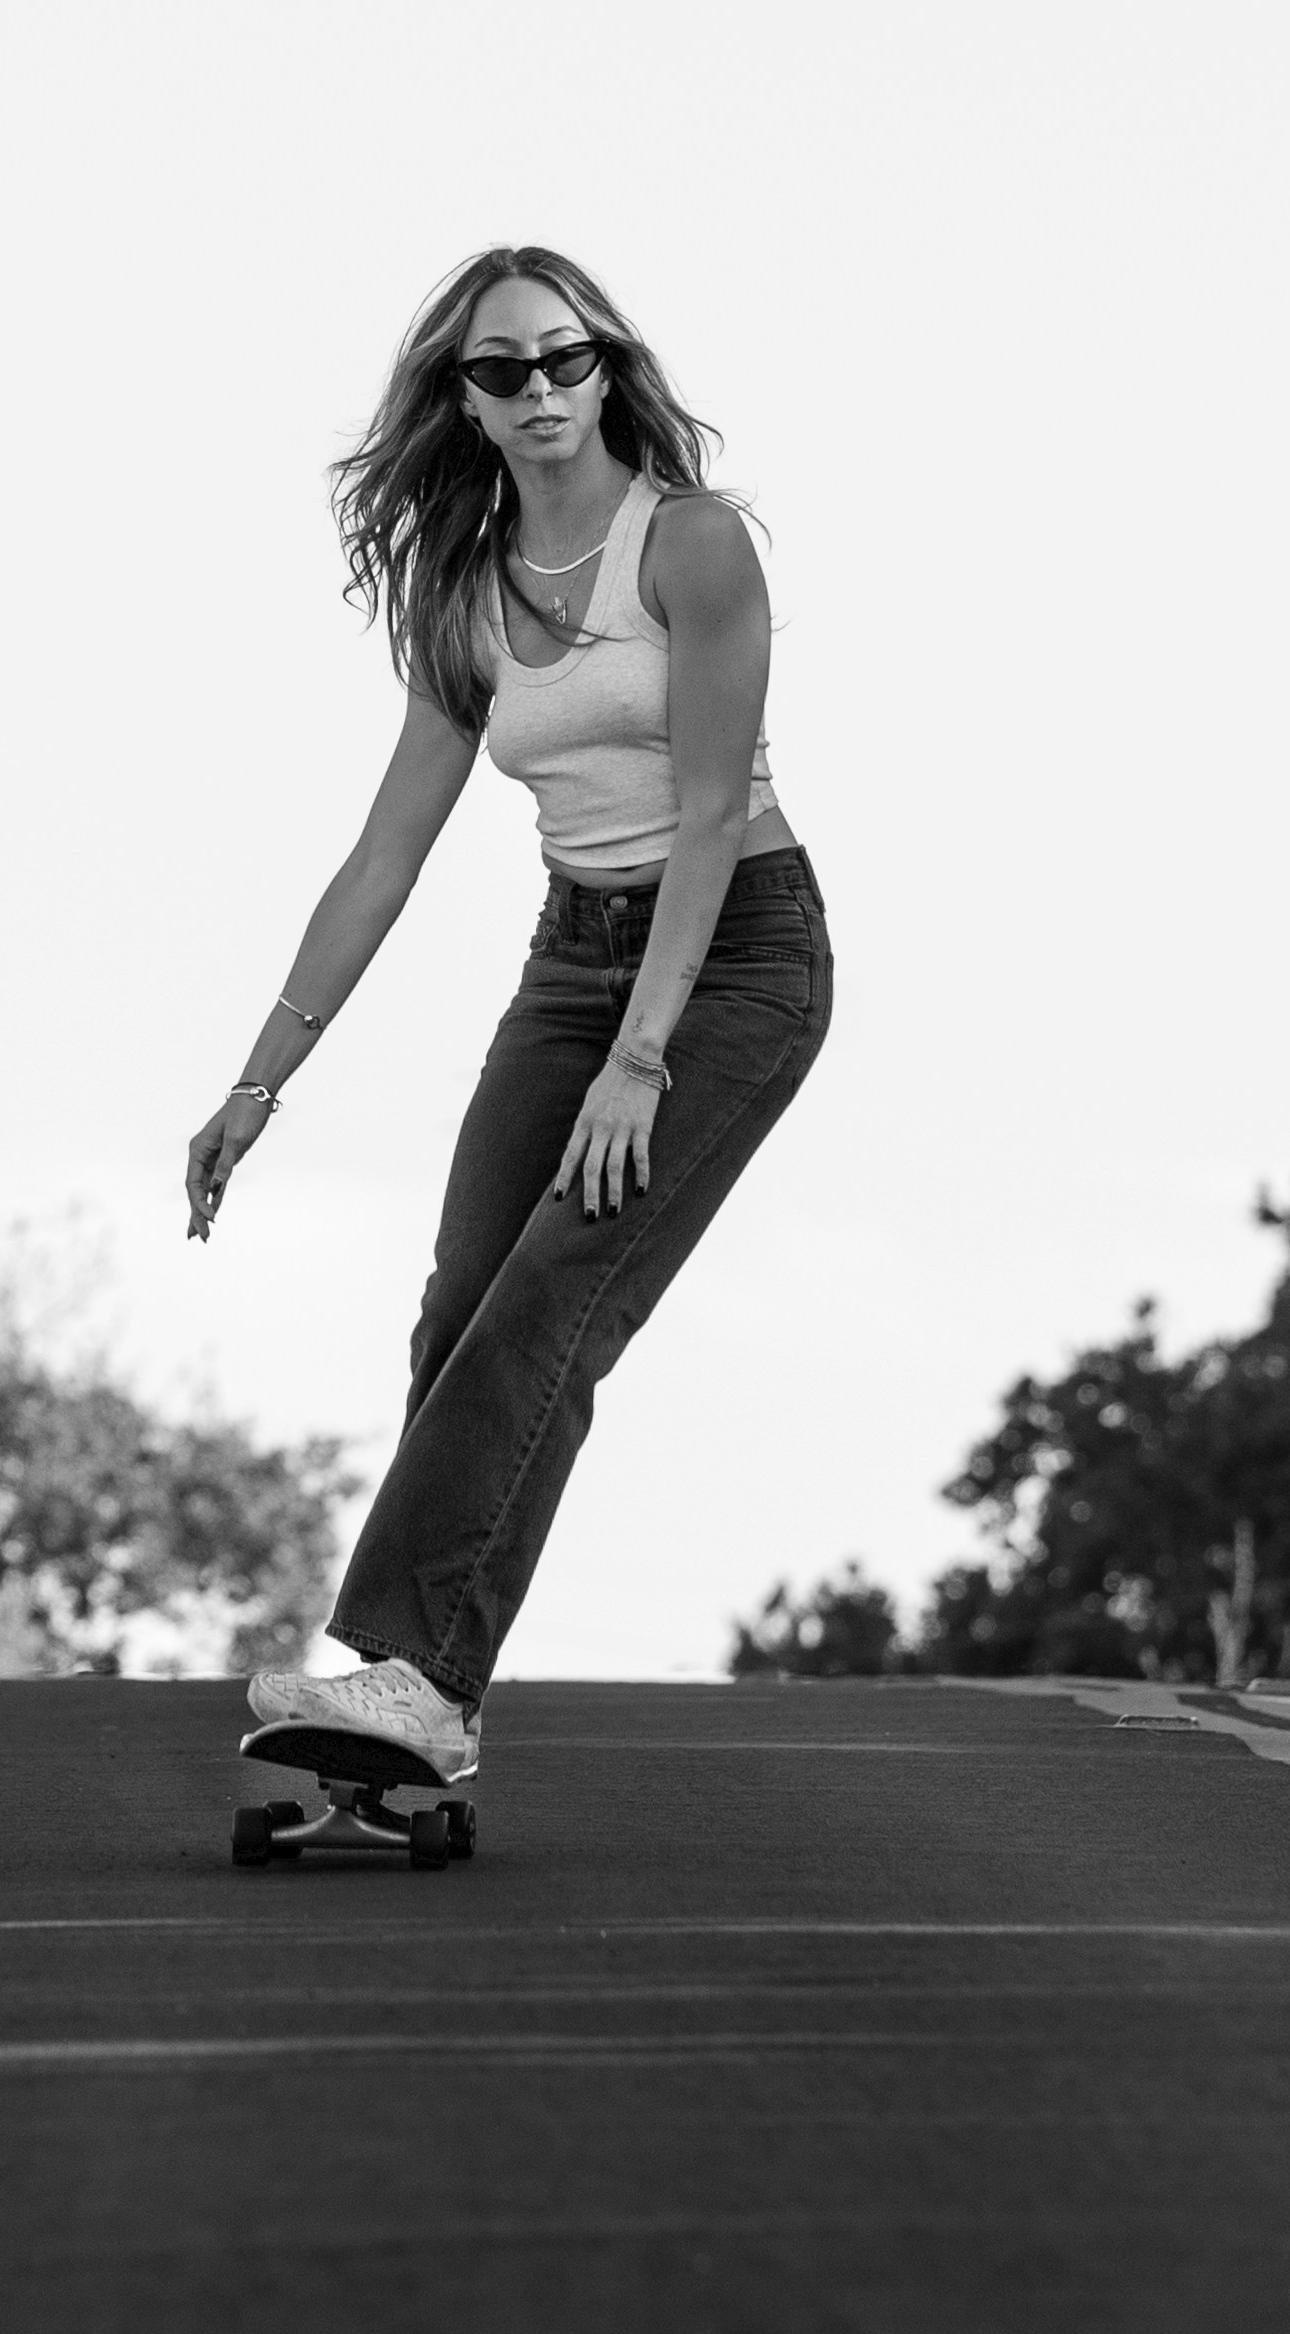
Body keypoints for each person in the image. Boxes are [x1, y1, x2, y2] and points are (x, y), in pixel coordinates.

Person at [186, 244, 832, 1782]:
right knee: (463, 1298)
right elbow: (383, 854)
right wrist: (256, 1085)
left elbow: (701, 813)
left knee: (554, 1296)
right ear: (460, 400)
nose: (537, 390)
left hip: (732, 956)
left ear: (609, 367)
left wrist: (641, 1056)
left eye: (564, 358)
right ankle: (432, 1691)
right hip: (570, 959)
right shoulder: (466, 592)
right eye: (500, 370)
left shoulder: (693, 547)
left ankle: (408, 1668)